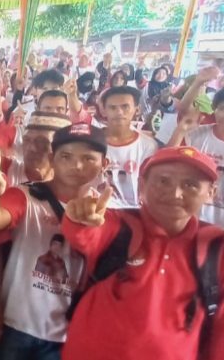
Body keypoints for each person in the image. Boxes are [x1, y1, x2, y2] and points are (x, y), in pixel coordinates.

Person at [61, 146, 224, 360]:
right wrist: (78, 217)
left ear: (211, 193)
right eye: (163, 181)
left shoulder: (216, 246)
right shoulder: (119, 224)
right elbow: (86, 233)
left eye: (190, 185)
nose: (175, 193)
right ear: (141, 185)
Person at [0, 123, 109, 359]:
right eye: (66, 156)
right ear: (51, 158)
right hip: (15, 322)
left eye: (88, 158)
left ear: (104, 164)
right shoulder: (25, 195)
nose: (77, 166)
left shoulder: (108, 212)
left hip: (67, 331)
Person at [170, 88, 224, 227]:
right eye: (222, 109)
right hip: (193, 216)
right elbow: (168, 160)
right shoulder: (196, 135)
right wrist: (181, 130)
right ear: (214, 110)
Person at [101, 86, 159, 208]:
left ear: (137, 110)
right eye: (112, 108)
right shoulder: (91, 140)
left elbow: (150, 182)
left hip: (135, 210)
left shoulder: (148, 145)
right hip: (100, 208)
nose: (119, 112)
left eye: (125, 107)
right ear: (104, 111)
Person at [1, 111, 71, 186]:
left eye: (41, 142)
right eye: (27, 140)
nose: (31, 148)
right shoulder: (5, 169)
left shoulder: (69, 187)